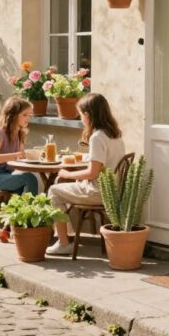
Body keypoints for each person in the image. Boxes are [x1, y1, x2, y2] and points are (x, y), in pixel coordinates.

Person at [45, 93, 126, 256]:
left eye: (81, 115)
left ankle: (63, 242)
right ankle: (65, 236)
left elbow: (92, 173)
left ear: (88, 115)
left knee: (54, 191)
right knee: (62, 187)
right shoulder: (114, 134)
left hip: (98, 192)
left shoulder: (97, 137)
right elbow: (102, 162)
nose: (80, 118)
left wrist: (66, 174)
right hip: (113, 191)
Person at [0, 97, 40, 197]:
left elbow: (22, 157)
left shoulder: (19, 134)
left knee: (26, 180)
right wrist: (16, 155)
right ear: (13, 116)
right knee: (29, 178)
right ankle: (30, 211)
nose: (28, 118)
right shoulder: (0, 134)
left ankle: (20, 211)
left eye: (30, 115)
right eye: (24, 115)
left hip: (8, 174)